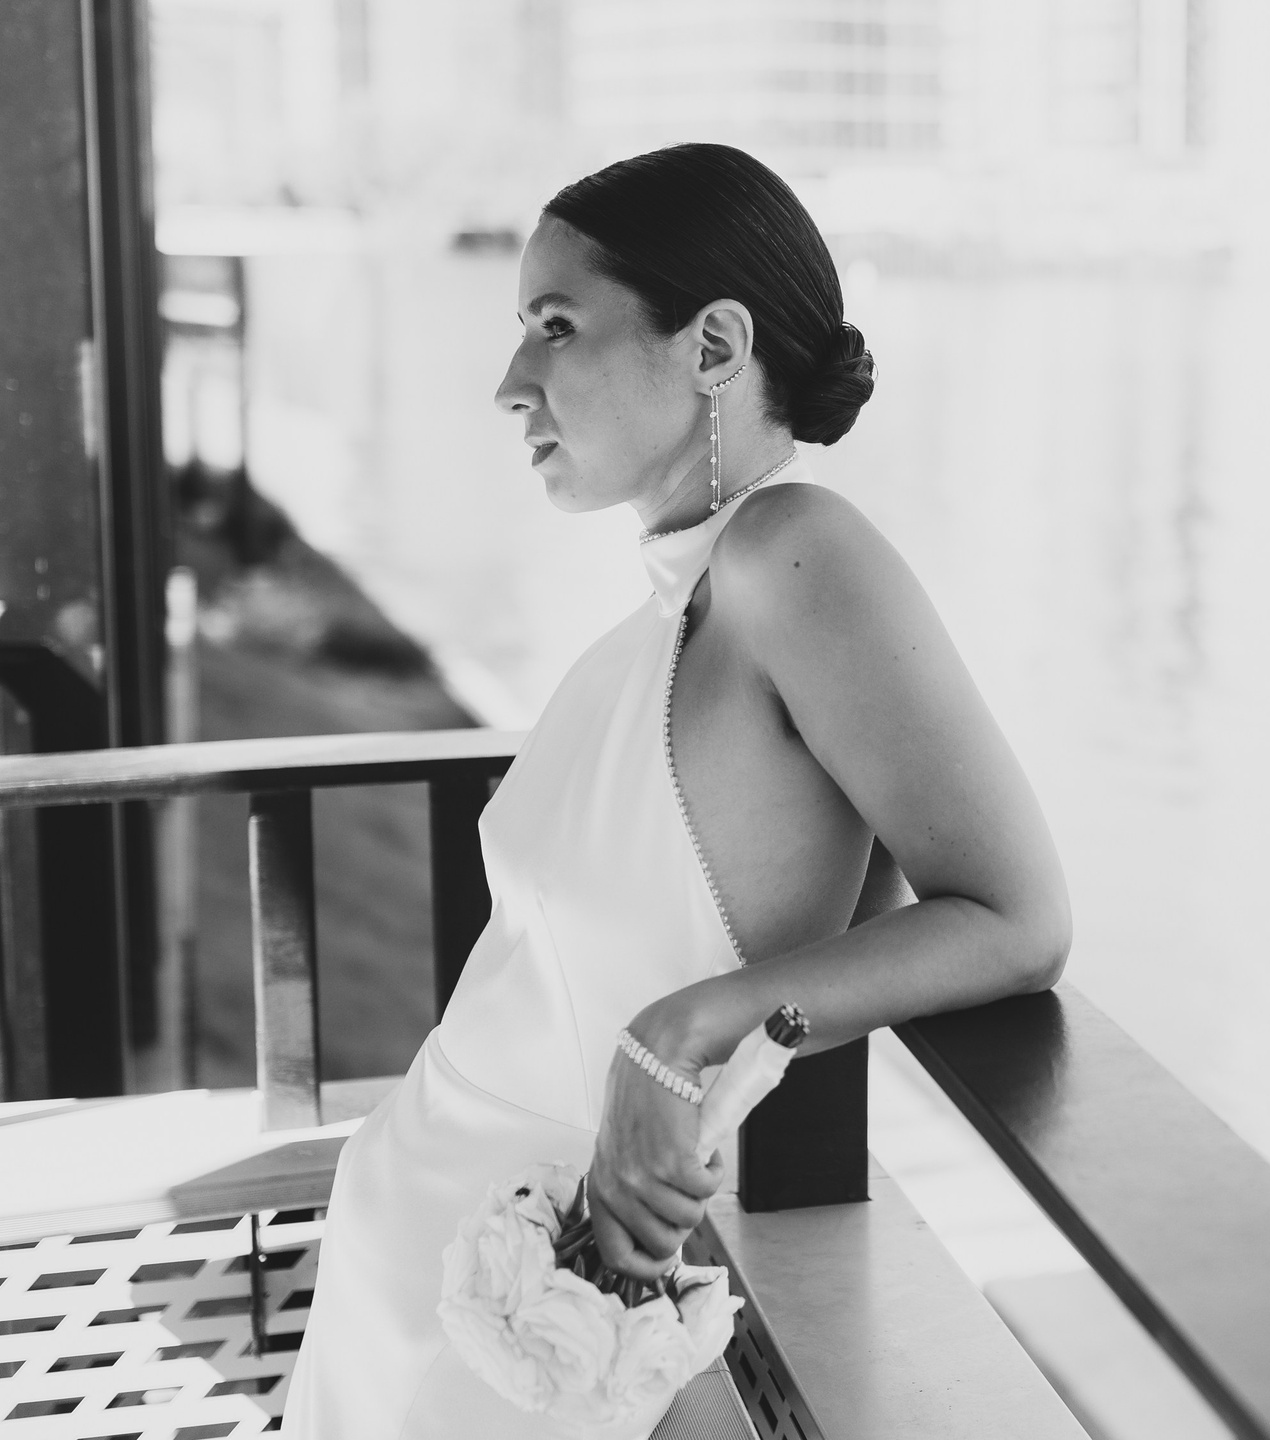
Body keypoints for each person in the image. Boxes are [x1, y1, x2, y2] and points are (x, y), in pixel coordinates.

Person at [282, 143, 1072, 1437]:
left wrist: (691, 1028)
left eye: (555, 325)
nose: (510, 382)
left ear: (714, 347)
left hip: (537, 1322)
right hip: (423, 1251)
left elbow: (1016, 915)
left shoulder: (794, 558)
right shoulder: (662, 615)